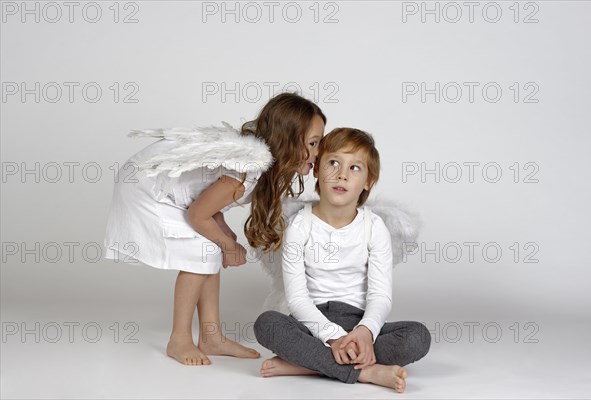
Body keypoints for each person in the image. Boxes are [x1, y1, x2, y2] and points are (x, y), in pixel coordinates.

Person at [104, 93, 326, 365]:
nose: (318, 153)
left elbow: (206, 199)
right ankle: (179, 338)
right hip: (146, 187)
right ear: (287, 140)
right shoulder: (245, 170)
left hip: (173, 193)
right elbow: (198, 214)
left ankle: (211, 337)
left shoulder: (257, 161)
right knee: (199, 252)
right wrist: (229, 245)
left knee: (209, 248)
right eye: (313, 144)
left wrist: (225, 235)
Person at [253, 127, 431, 392]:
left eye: (355, 168)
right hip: (311, 324)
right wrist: (333, 337)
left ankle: (308, 365)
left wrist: (365, 332)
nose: (342, 175)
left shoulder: (375, 227)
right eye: (333, 163)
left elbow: (380, 296)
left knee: (417, 337)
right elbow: (298, 299)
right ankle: (365, 373)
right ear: (316, 170)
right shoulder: (299, 226)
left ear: (369, 181)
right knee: (267, 324)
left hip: (358, 322)